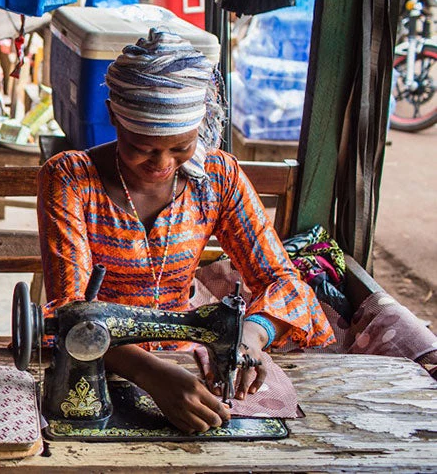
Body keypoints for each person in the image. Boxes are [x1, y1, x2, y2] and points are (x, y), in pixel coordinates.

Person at [37, 29, 335, 434]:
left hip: (184, 359)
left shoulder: (217, 177)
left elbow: (283, 281)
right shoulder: (70, 178)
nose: (163, 163)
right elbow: (71, 310)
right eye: (143, 146)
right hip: (95, 361)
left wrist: (249, 338)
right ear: (112, 115)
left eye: (181, 147)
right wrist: (153, 376)